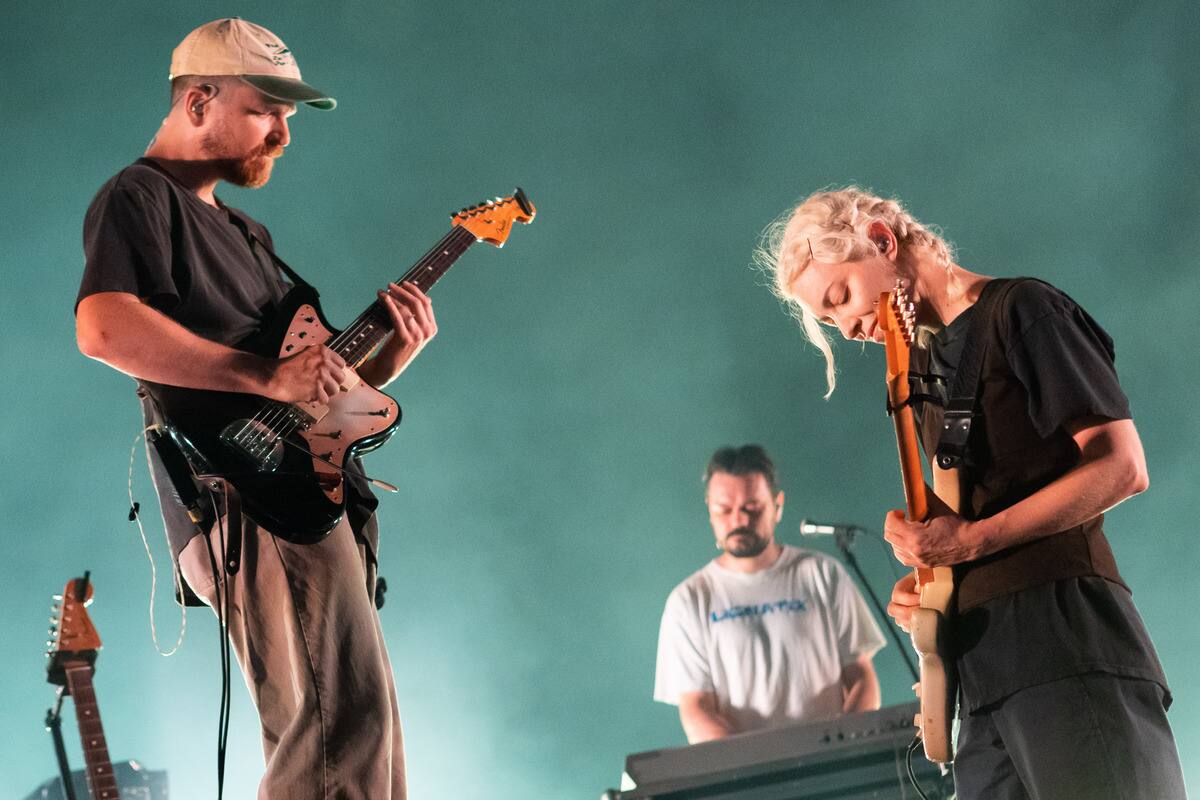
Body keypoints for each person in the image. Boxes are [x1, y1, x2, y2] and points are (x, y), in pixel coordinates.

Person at [74, 19, 432, 799]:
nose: (281, 134)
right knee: (345, 733)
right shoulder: (139, 197)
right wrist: (265, 380)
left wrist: (381, 363)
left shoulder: (247, 231)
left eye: (290, 118)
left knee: (342, 734)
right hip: (250, 500)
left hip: (301, 491)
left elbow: (307, 378)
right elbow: (103, 327)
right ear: (198, 99)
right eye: (267, 110)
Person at [760, 186, 1186, 798]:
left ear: (882, 240)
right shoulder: (927, 370)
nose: (848, 328)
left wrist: (972, 542)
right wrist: (934, 583)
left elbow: (1122, 466)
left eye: (841, 297)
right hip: (983, 679)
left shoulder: (1023, 309)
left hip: (1067, 643)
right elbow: (966, 527)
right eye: (829, 321)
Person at [653, 444, 885, 743]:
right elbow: (696, 709)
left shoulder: (822, 574)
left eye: (752, 507)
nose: (739, 520)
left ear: (778, 505)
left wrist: (843, 746)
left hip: (832, 768)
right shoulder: (688, 600)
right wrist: (753, 765)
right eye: (724, 510)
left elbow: (862, 678)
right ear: (709, 510)